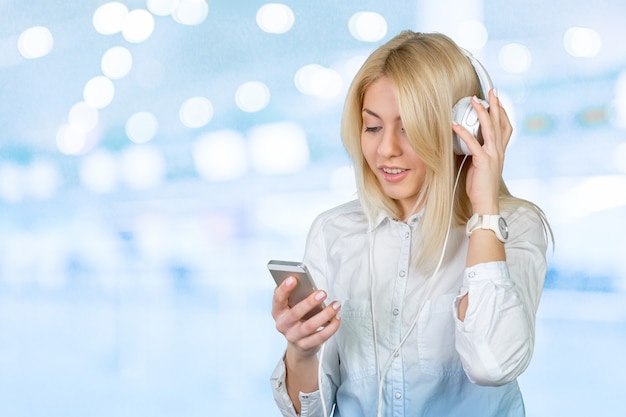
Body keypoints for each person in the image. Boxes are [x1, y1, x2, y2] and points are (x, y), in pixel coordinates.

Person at [270, 30, 551, 417]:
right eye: (372, 127)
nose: (386, 148)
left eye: (409, 127)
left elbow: (494, 365)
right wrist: (301, 352)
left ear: (462, 131)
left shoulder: (513, 225)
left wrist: (484, 207)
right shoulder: (333, 232)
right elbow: (310, 413)